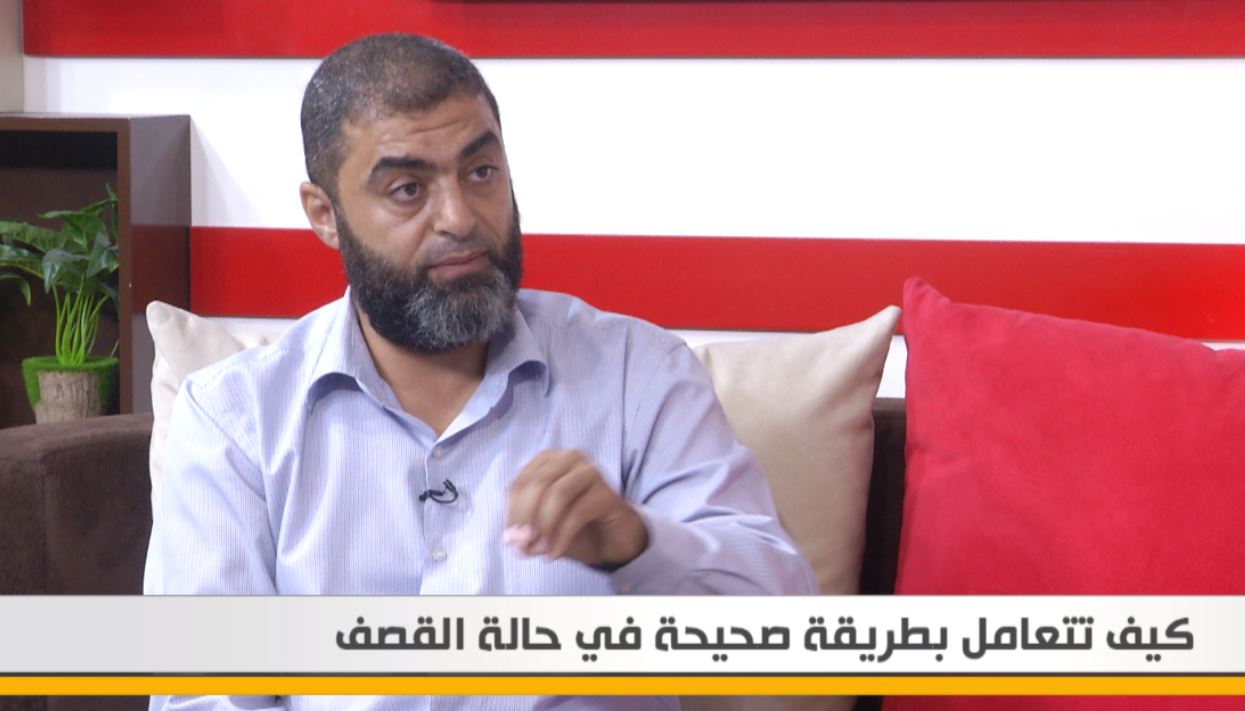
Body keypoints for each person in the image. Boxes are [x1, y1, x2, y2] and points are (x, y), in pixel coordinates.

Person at [145, 32, 815, 711]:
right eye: (408, 189)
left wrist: (638, 544)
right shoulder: (234, 420)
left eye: (481, 172)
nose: (459, 218)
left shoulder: (636, 375)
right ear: (325, 215)